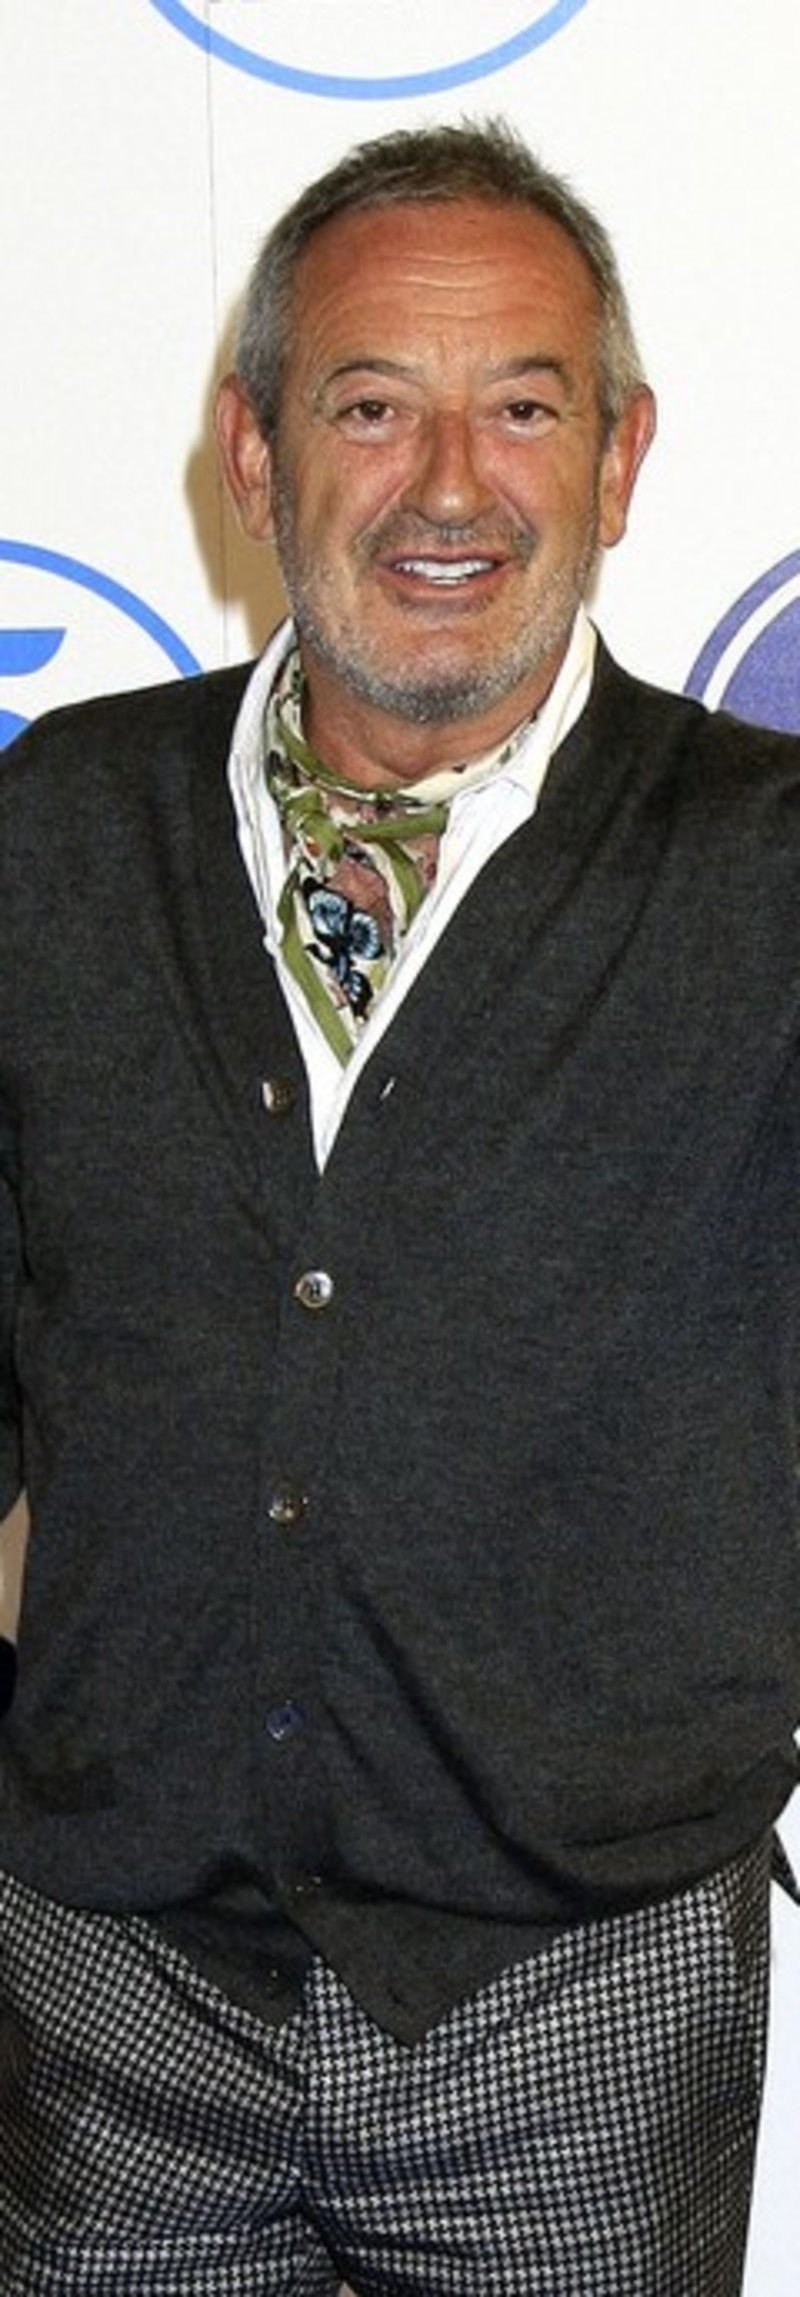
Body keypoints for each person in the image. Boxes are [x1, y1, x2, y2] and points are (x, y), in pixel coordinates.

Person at [0, 115, 798, 2297]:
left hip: (585, 2007)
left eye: (521, 407)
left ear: (620, 459)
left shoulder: (770, 868)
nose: (451, 485)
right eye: (372, 406)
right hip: (106, 1987)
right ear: (254, 456)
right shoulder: (58, 830)